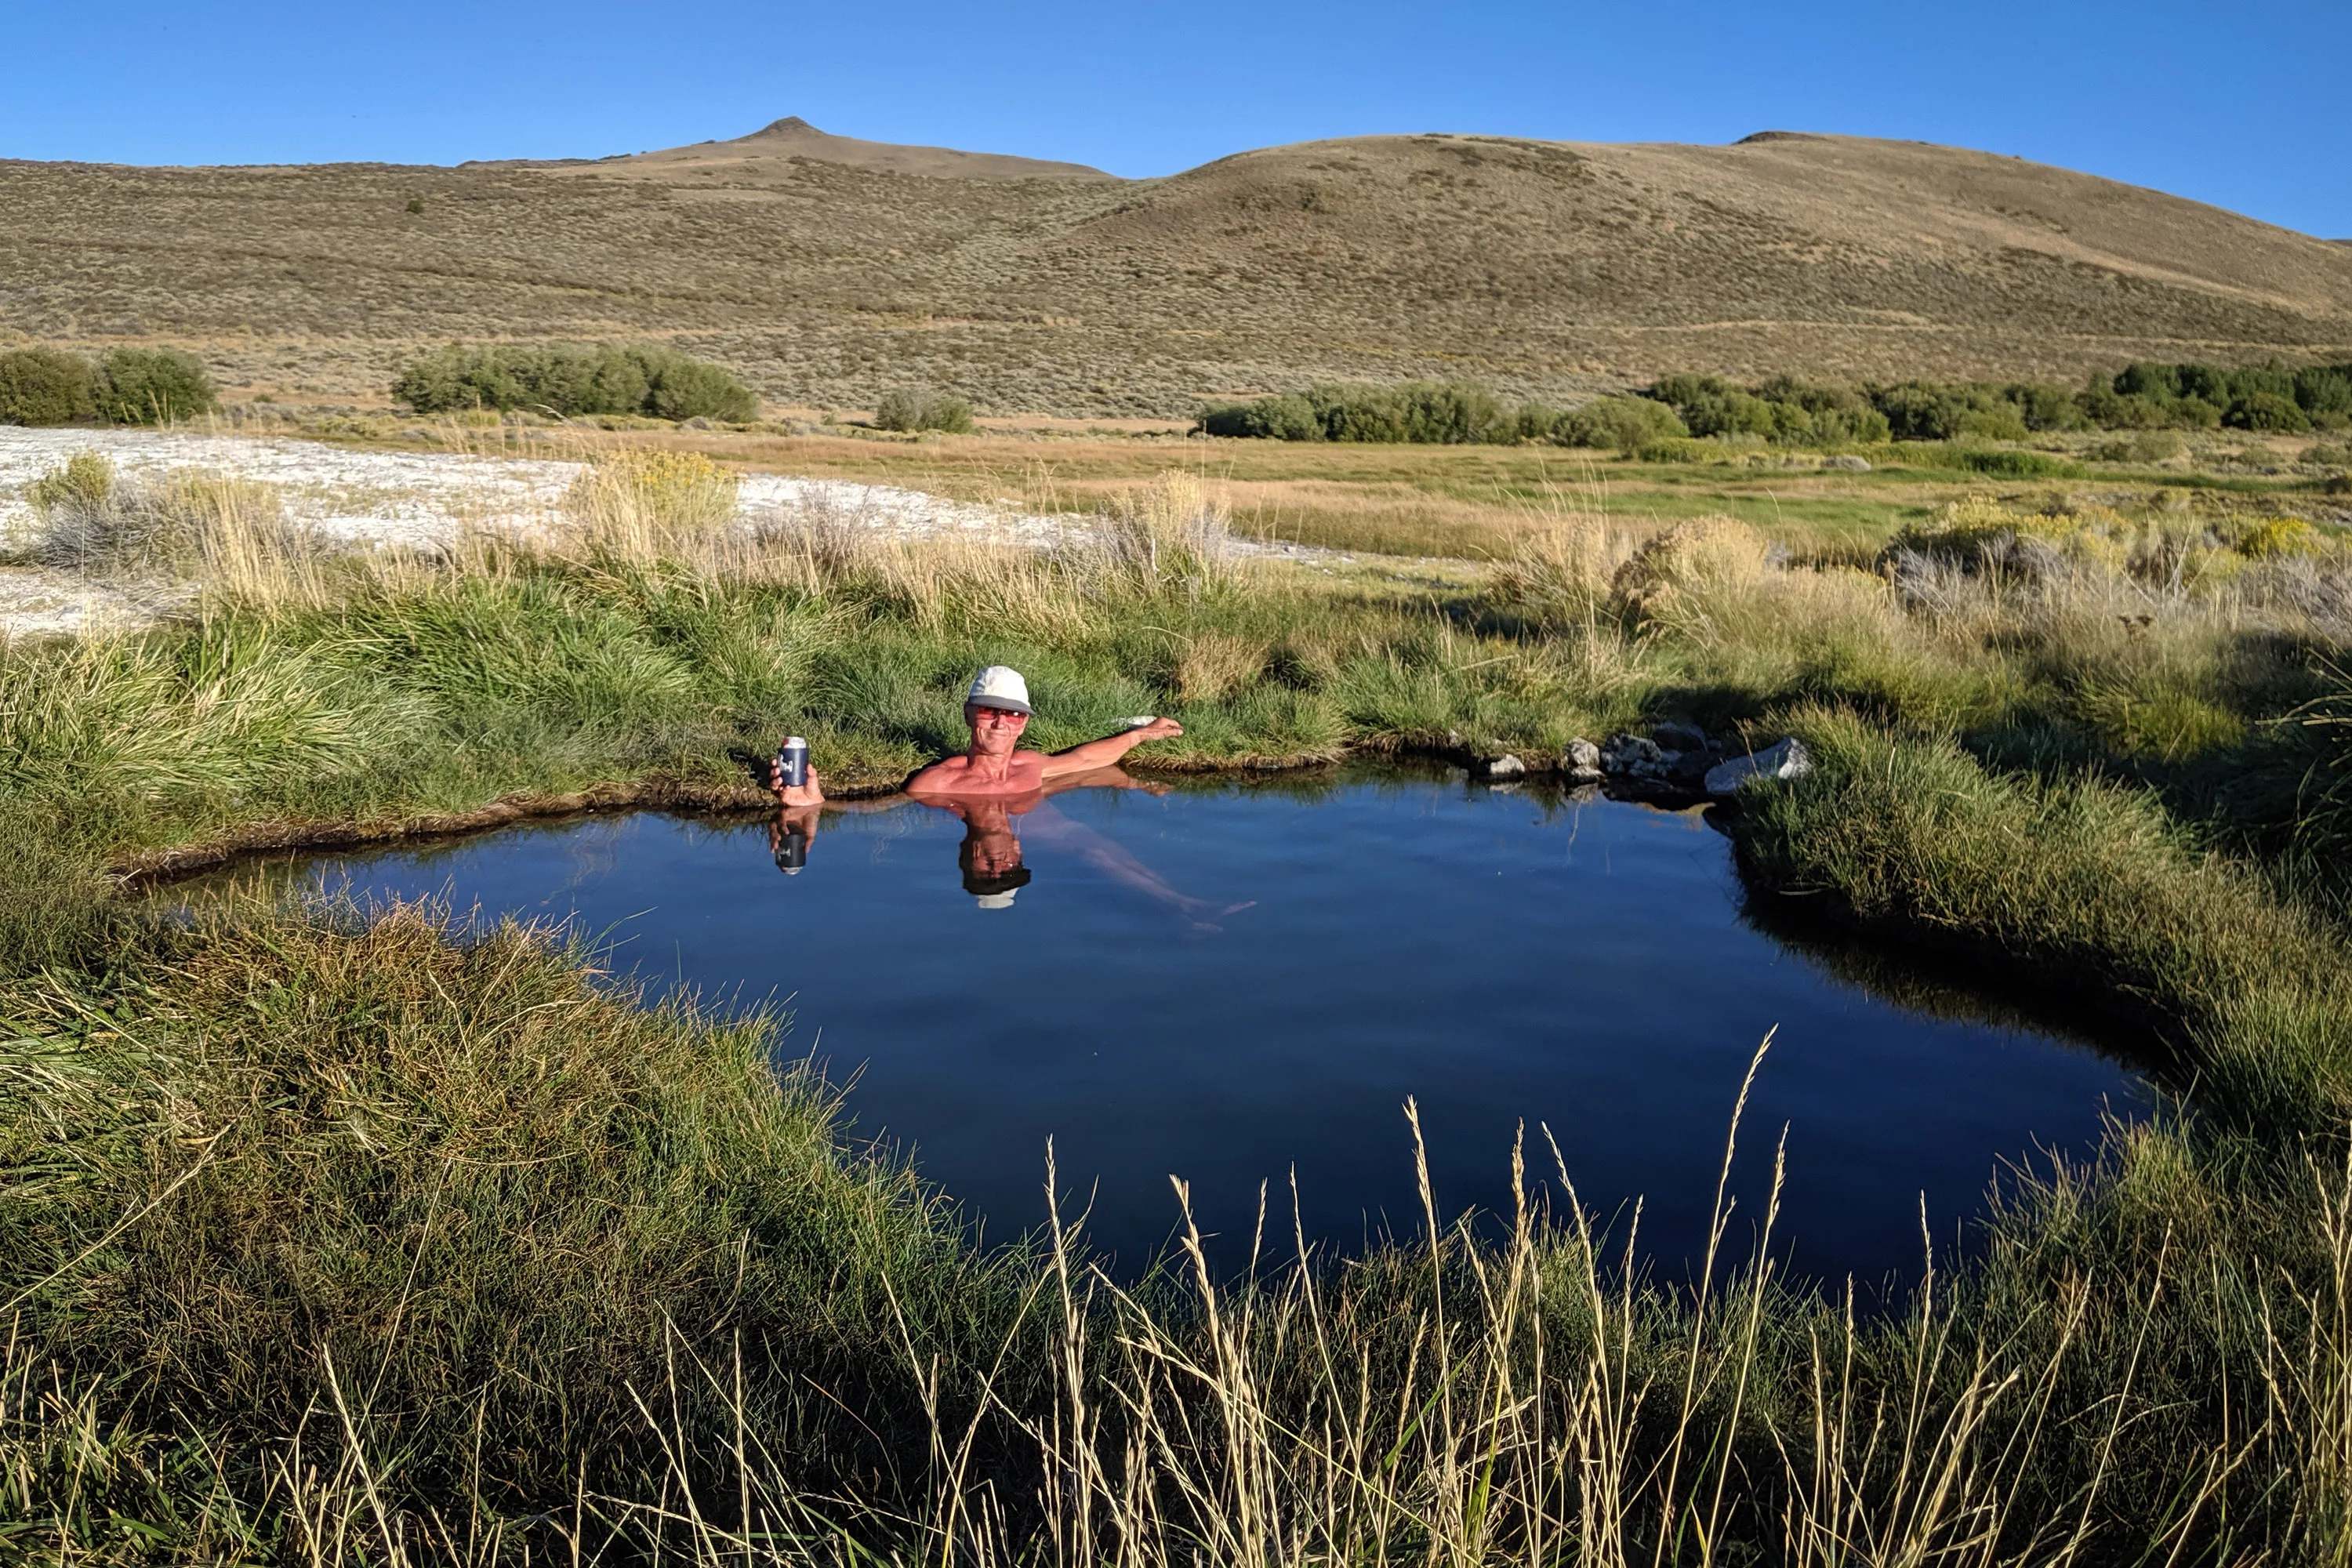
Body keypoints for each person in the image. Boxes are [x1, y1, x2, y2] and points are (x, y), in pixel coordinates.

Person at [771, 665, 1183, 809]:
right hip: (1025, 828)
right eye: (989, 711)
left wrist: (1140, 736)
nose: (1001, 723)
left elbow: (1086, 760)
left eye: (1013, 715)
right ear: (970, 715)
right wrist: (816, 806)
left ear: (1023, 724)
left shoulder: (1031, 766)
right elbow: (881, 808)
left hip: (1049, 833)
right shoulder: (938, 782)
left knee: (1098, 851)